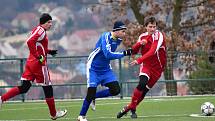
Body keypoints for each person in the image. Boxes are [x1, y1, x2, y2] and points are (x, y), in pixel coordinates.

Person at [0, 13, 67, 120]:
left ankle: (1, 99)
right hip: (39, 65)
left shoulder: (38, 29)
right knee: (48, 88)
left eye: (51, 22)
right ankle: (54, 114)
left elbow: (37, 45)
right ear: (43, 23)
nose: (51, 24)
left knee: (24, 88)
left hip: (30, 63)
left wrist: (49, 52)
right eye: (49, 22)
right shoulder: (41, 31)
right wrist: (39, 56)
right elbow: (30, 41)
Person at [77, 21, 132, 121]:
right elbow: (108, 55)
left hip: (105, 68)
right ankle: (81, 116)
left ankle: (94, 97)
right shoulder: (105, 37)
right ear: (116, 30)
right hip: (93, 67)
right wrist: (124, 53)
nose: (124, 34)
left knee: (116, 90)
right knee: (91, 91)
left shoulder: (118, 40)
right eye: (123, 31)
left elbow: (109, 55)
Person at [117, 17, 167, 119]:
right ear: (146, 27)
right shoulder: (142, 37)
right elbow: (134, 51)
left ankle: (128, 108)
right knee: (142, 83)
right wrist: (140, 43)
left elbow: (152, 51)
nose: (152, 29)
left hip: (157, 69)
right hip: (146, 66)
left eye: (154, 26)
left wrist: (138, 60)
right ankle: (133, 110)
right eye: (150, 27)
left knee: (144, 92)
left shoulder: (159, 36)